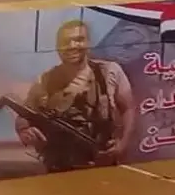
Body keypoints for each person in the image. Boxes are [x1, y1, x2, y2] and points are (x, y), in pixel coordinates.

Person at [8, 20, 134, 172]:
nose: (72, 46)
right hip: (59, 166)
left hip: (102, 162)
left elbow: (128, 109)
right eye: (66, 42)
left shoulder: (109, 72)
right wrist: (24, 130)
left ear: (88, 43)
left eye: (79, 40)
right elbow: (25, 114)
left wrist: (122, 144)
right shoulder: (45, 80)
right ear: (57, 47)